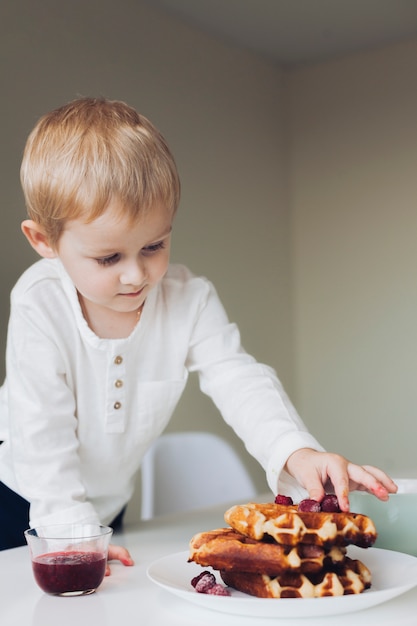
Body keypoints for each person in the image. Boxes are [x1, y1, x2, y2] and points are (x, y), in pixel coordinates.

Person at [0, 98, 396, 566]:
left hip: (105, 508)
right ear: (44, 241)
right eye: (109, 258)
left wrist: (297, 451)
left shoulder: (189, 298)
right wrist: (71, 530)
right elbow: (43, 428)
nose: (136, 275)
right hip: (21, 497)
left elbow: (238, 378)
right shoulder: (39, 300)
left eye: (154, 246)